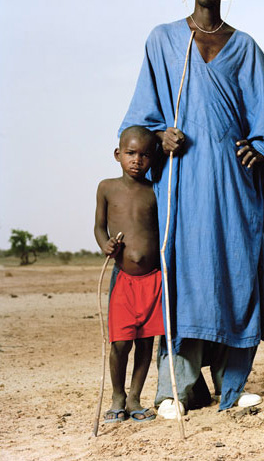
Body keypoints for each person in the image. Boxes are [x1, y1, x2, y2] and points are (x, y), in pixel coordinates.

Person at [119, 0, 264, 415]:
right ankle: (174, 389)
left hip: (235, 180)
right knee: (185, 276)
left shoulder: (244, 47)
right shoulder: (163, 40)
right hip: (182, 178)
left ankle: (233, 383)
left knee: (236, 273)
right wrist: (160, 140)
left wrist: (261, 148)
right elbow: (139, 117)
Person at [94, 125, 164, 423]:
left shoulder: (154, 191)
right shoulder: (107, 187)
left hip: (154, 279)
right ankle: (117, 396)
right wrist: (105, 244)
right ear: (117, 154)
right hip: (124, 278)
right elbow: (99, 227)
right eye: (131, 153)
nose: (137, 160)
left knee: (146, 343)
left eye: (145, 155)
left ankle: (135, 398)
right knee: (120, 343)